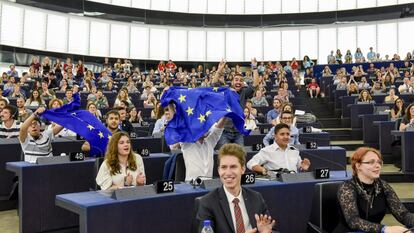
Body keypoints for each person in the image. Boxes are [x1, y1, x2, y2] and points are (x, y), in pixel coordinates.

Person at [195, 143, 276, 233]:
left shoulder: (256, 198)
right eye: (224, 167)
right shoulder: (208, 202)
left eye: (233, 167)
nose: (228, 172)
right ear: (218, 170)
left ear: (242, 169)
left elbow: (271, 229)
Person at [334, 147, 414, 232]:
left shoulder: (383, 185)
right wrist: (384, 229)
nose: (377, 166)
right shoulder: (347, 188)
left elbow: (402, 214)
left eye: (379, 162)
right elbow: (353, 221)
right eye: (371, 162)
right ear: (358, 166)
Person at [180, 118, 225, 182]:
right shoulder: (187, 143)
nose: (204, 130)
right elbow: (178, 126)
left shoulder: (210, 141)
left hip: (208, 185)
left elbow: (218, 129)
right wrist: (170, 107)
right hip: (192, 185)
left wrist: (226, 116)